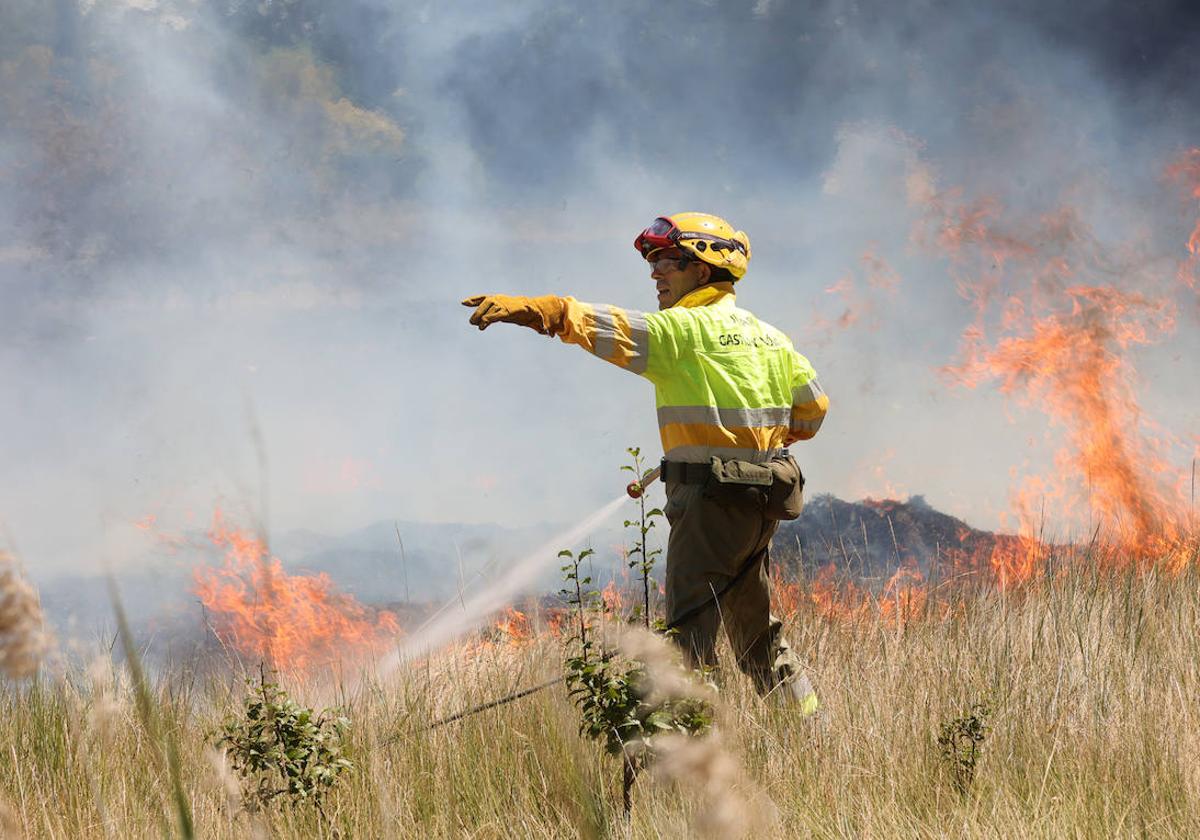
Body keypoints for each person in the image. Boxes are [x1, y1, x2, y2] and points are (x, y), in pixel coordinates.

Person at [462, 212, 828, 710]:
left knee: (687, 644)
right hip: (760, 503)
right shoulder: (771, 338)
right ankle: (810, 729)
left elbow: (609, 326)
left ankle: (697, 756)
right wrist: (745, 439)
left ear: (703, 271)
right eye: (652, 262)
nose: (655, 272)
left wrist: (539, 309)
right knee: (757, 635)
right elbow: (811, 411)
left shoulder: (684, 330)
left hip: (708, 505)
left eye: (668, 261)